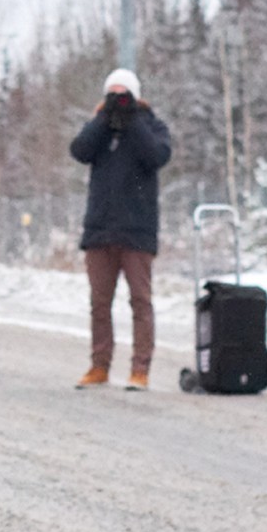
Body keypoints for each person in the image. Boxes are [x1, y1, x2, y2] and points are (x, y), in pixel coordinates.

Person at [70, 67, 172, 391]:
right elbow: (79, 150)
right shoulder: (100, 131)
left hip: (137, 232)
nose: (119, 101)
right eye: (112, 94)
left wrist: (134, 119)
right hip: (100, 230)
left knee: (140, 301)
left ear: (137, 96)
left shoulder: (151, 126)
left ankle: (140, 369)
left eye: (123, 95)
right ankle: (99, 365)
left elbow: (156, 155)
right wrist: (104, 119)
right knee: (100, 303)